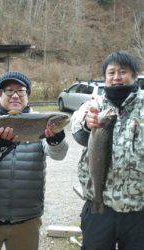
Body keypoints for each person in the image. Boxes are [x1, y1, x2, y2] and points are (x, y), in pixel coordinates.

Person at [0, 71, 69, 250]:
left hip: (27, 219)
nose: (15, 95)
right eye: (9, 91)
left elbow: (58, 155)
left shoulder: (42, 123)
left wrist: (56, 140)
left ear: (27, 96)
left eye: (21, 91)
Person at [71, 51, 144, 250]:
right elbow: (77, 131)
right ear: (105, 78)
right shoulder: (94, 104)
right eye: (111, 72)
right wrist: (87, 124)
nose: (117, 77)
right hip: (99, 207)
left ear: (134, 75)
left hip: (139, 208)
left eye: (123, 71)